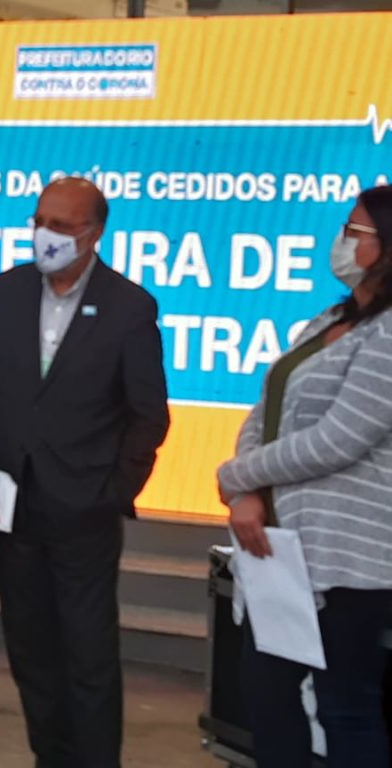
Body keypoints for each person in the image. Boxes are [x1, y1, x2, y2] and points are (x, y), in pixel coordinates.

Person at [0, 177, 169, 768]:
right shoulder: (6, 291)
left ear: (93, 233)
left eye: (62, 225)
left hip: (85, 511)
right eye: (40, 221)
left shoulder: (129, 306)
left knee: (88, 657)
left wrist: (113, 492)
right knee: (31, 652)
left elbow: (148, 415)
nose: (45, 235)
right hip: (13, 503)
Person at [217, 185, 392, 768]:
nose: (341, 241)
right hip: (279, 548)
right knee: (266, 695)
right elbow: (266, 410)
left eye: (356, 232)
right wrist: (246, 492)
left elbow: (340, 438)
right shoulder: (331, 318)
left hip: (349, 558)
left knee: (346, 708)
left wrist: (238, 474)